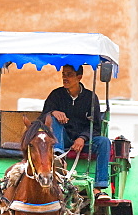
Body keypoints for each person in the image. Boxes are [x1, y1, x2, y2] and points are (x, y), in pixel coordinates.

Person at [39, 64, 111, 197]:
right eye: (63, 74)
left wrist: (82, 138)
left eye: (69, 74)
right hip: (61, 140)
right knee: (53, 119)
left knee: (104, 142)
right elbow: (42, 118)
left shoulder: (90, 97)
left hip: (84, 142)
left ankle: (98, 188)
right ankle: (59, 162)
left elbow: (95, 126)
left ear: (79, 77)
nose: (65, 78)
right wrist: (53, 112)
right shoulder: (56, 95)